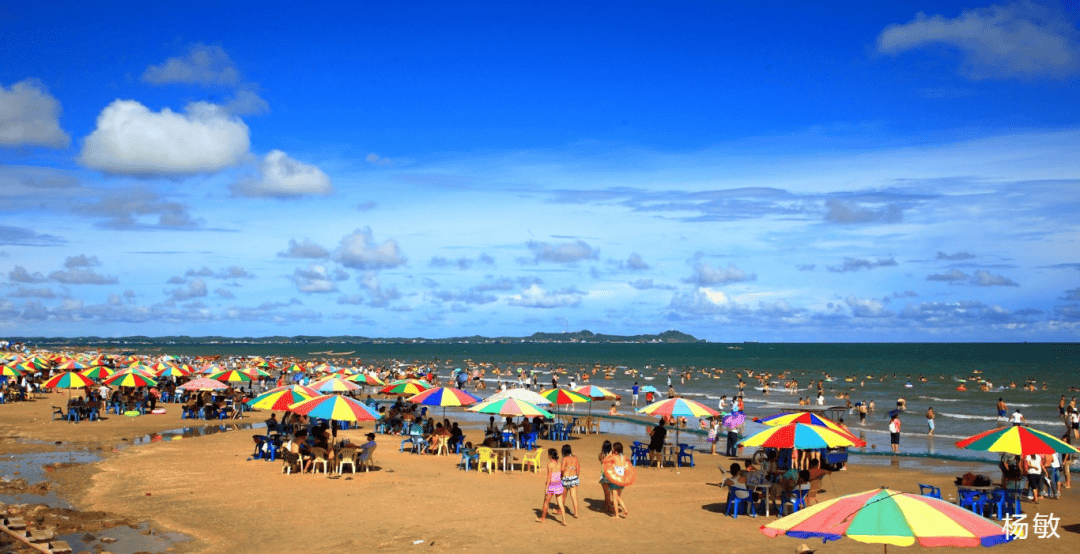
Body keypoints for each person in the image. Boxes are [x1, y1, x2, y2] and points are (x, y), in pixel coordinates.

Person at [538, 448, 566, 525]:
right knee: (560, 504)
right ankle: (564, 520)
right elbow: (561, 474)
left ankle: (542, 518)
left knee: (546, 502)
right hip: (559, 484)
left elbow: (549, 477)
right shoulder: (559, 464)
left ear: (550, 455)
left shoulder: (550, 464)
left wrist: (546, 487)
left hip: (552, 485)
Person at [604, 442, 630, 518]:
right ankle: (624, 509)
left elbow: (604, 460)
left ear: (615, 450)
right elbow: (627, 463)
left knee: (615, 498)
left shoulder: (614, 457)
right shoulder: (624, 457)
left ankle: (617, 515)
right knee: (618, 496)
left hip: (615, 479)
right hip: (622, 479)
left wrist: (609, 454)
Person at [560, 444, 580, 518]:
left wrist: (560, 477)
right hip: (573, 478)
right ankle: (576, 513)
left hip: (566, 478)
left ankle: (560, 510)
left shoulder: (564, 459)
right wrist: (577, 476)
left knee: (563, 496)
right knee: (574, 497)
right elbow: (578, 468)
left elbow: (562, 470)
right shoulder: (575, 458)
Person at [598, 440, 613, 513]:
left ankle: (607, 504)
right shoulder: (612, 455)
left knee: (606, 492)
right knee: (611, 491)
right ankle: (609, 506)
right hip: (611, 475)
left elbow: (600, 460)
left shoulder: (601, 455)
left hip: (604, 475)